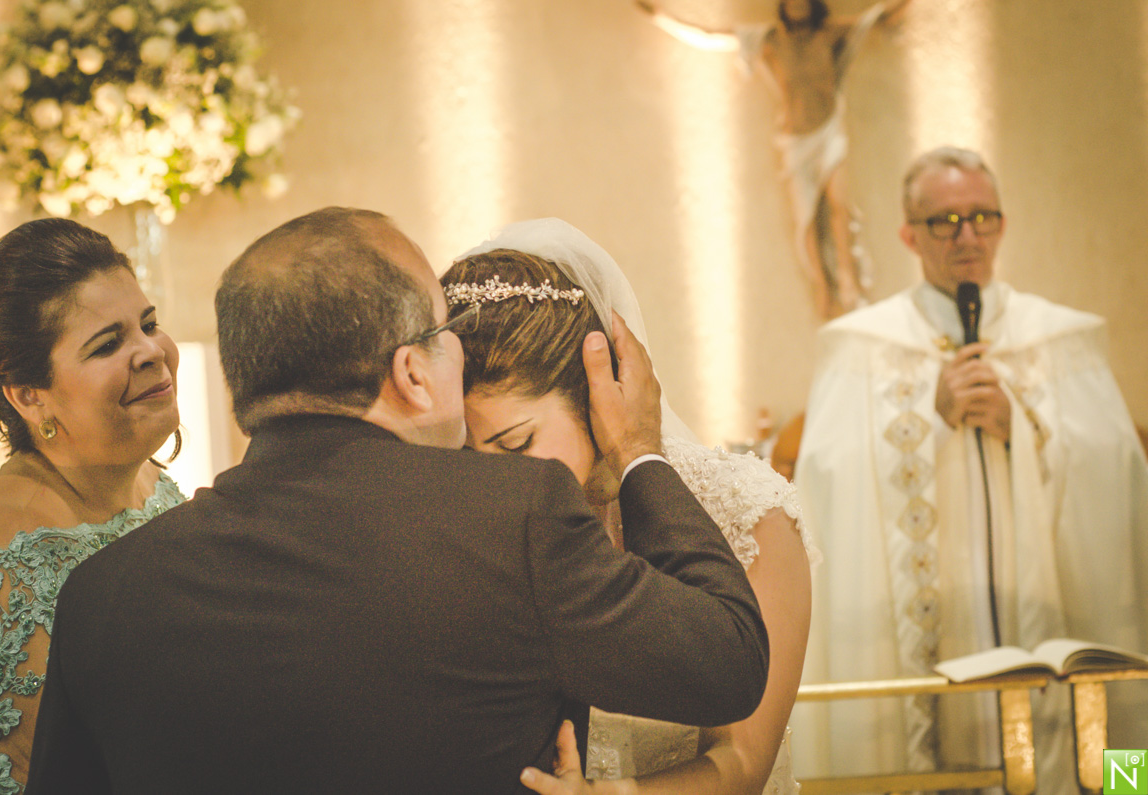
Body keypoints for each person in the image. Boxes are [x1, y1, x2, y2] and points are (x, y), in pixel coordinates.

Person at [24, 207, 771, 795]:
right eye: (447, 332)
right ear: (413, 371)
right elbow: (728, 660)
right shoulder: (511, 519)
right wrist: (638, 448)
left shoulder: (101, 593)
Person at [793, 146, 1148, 795]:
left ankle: (1128, 785)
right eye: (944, 221)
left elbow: (1121, 473)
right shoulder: (862, 347)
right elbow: (826, 481)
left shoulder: (1059, 336)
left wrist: (1026, 427)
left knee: (1121, 773)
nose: (967, 235)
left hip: (1047, 619)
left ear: (1002, 224)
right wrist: (929, 420)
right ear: (909, 234)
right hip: (930, 630)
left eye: (982, 217)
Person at [443, 218, 814, 795]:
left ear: (599, 394)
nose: (496, 478)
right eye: (466, 454)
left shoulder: (747, 512)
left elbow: (742, 762)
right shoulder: (473, 530)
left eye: (516, 444)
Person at [0, 218, 184, 794]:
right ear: (30, 396)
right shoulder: (5, 570)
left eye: (148, 324)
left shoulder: (144, 478)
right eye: (108, 344)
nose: (152, 351)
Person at [636, 0, 910, 318]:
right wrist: (661, 18)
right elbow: (710, 36)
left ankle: (848, 276)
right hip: (795, 140)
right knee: (805, 218)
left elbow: (877, 18)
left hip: (829, 131)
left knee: (840, 205)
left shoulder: (830, 34)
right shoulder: (770, 40)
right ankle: (823, 287)